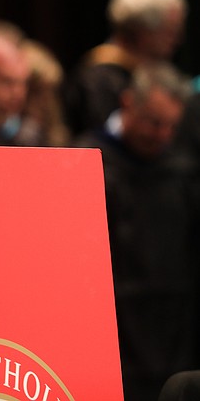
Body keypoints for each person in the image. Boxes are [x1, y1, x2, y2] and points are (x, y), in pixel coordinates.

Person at [73, 62, 199, 401]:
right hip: (113, 325)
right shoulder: (87, 159)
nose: (162, 135)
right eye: (154, 122)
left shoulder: (181, 169)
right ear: (128, 102)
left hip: (173, 328)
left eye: (171, 126)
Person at [63, 0, 188, 136]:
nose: (178, 39)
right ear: (142, 31)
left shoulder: (156, 74)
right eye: (170, 31)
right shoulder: (99, 81)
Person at [15, 38, 71, 147]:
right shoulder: (6, 131)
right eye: (36, 91)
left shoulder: (54, 131)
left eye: (50, 92)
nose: (45, 102)